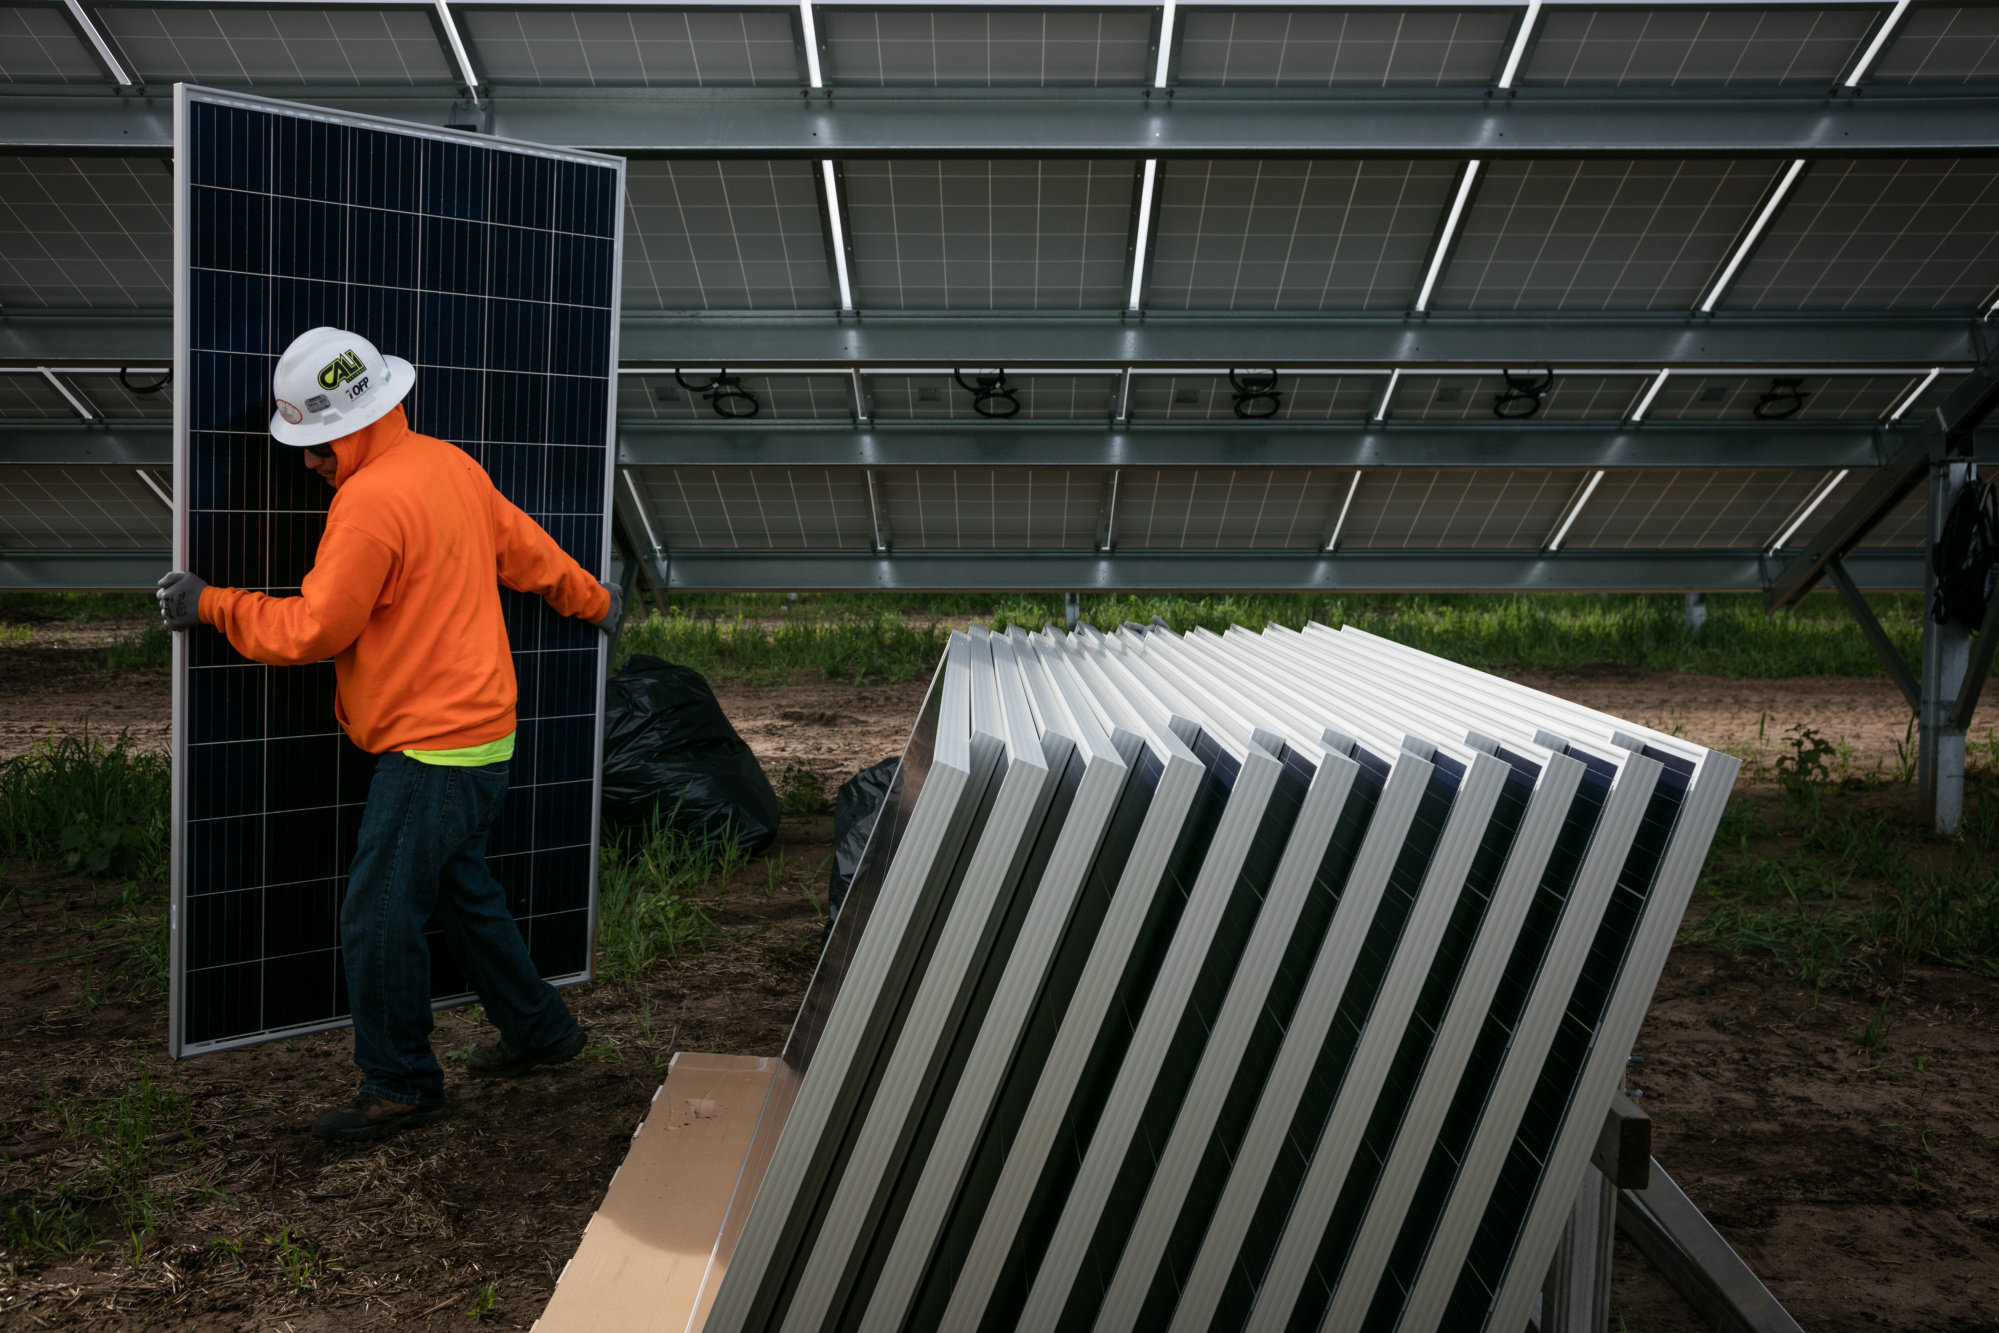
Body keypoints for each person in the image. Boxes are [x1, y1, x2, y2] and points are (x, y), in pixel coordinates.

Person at [158, 326, 623, 1143]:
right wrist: (594, 600)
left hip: (431, 750)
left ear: (355, 426)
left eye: (317, 445)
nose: (308, 463)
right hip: (484, 736)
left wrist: (210, 604)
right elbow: (529, 552)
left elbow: (314, 630)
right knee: (463, 894)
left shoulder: (367, 505)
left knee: (375, 915)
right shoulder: (451, 464)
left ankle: (401, 1083)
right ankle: (542, 1032)